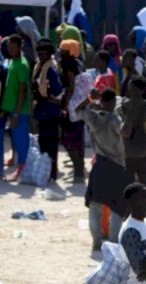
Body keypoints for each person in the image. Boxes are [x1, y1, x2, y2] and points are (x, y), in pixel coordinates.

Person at [78, 89, 130, 251]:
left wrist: (88, 98)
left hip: (100, 164)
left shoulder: (94, 117)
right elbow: (125, 132)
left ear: (101, 101)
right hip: (117, 166)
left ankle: (97, 241)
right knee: (116, 208)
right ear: (113, 102)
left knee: (95, 205)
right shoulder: (115, 119)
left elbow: (77, 110)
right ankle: (114, 242)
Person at [117, 76, 146, 190]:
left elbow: (118, 133)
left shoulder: (121, 108)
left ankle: (127, 208)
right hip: (145, 154)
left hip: (126, 154)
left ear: (130, 88)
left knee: (126, 189)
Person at [0, 34, 31, 180]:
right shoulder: (12, 62)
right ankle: (19, 166)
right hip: (11, 108)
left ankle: (21, 170)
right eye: (9, 47)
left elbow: (22, 91)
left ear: (20, 47)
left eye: (14, 47)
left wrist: (17, 114)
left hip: (20, 111)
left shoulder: (22, 65)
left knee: (21, 140)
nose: (11, 50)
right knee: (16, 139)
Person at [32, 39, 63, 182]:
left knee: (51, 144)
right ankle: (45, 171)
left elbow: (56, 91)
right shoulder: (39, 66)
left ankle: (52, 173)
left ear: (50, 54)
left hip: (50, 110)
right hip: (41, 109)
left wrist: (46, 96)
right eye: (40, 54)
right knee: (42, 142)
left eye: (44, 54)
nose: (42, 57)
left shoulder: (51, 69)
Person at [58, 38, 87, 184]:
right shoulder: (80, 63)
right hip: (80, 106)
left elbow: (70, 88)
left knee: (68, 139)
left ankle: (78, 172)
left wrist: (64, 106)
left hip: (72, 107)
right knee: (78, 140)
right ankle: (79, 173)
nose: (60, 53)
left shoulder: (69, 66)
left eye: (63, 51)